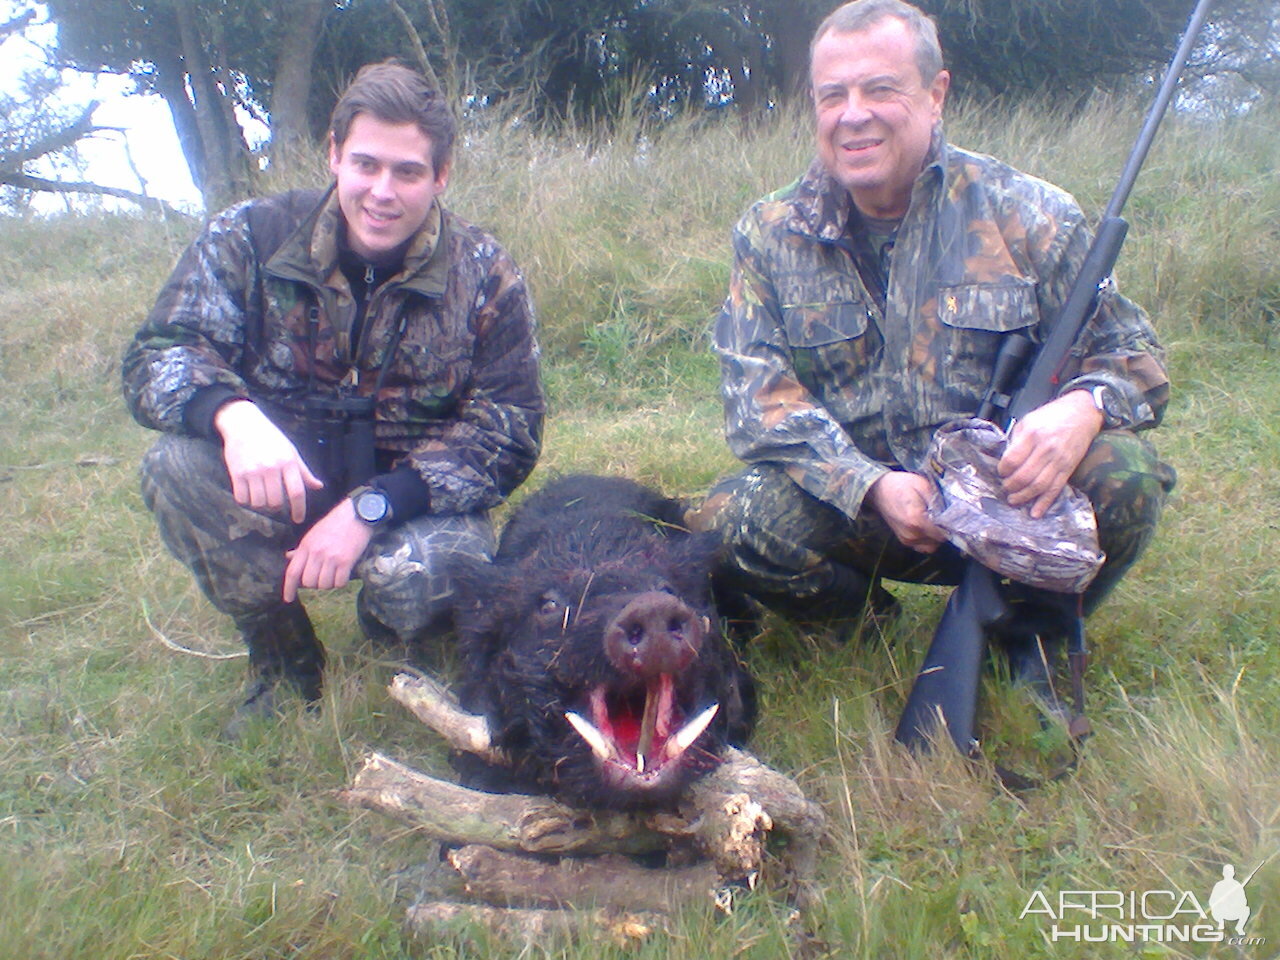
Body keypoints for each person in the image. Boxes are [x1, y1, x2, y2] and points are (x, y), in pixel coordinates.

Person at [692, 0, 1175, 665]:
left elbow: (1135, 357)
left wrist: (1082, 409)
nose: (853, 114)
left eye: (880, 89)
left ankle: (1027, 631)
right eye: (833, 96)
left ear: (935, 93)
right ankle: (869, 638)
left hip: (1012, 503)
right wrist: (869, 485)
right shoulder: (768, 234)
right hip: (870, 510)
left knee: (1126, 477)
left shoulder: (1030, 214)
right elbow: (758, 401)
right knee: (727, 521)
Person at [123, 62, 544, 735]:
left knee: (443, 566)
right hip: (278, 484)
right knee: (174, 468)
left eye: (407, 172)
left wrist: (374, 507)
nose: (382, 192)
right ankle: (283, 658)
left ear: (441, 177)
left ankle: (402, 628)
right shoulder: (251, 237)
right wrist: (233, 416)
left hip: (403, 506)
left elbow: (508, 429)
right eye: (365, 165)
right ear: (333, 156)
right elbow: (159, 352)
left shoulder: (484, 273)